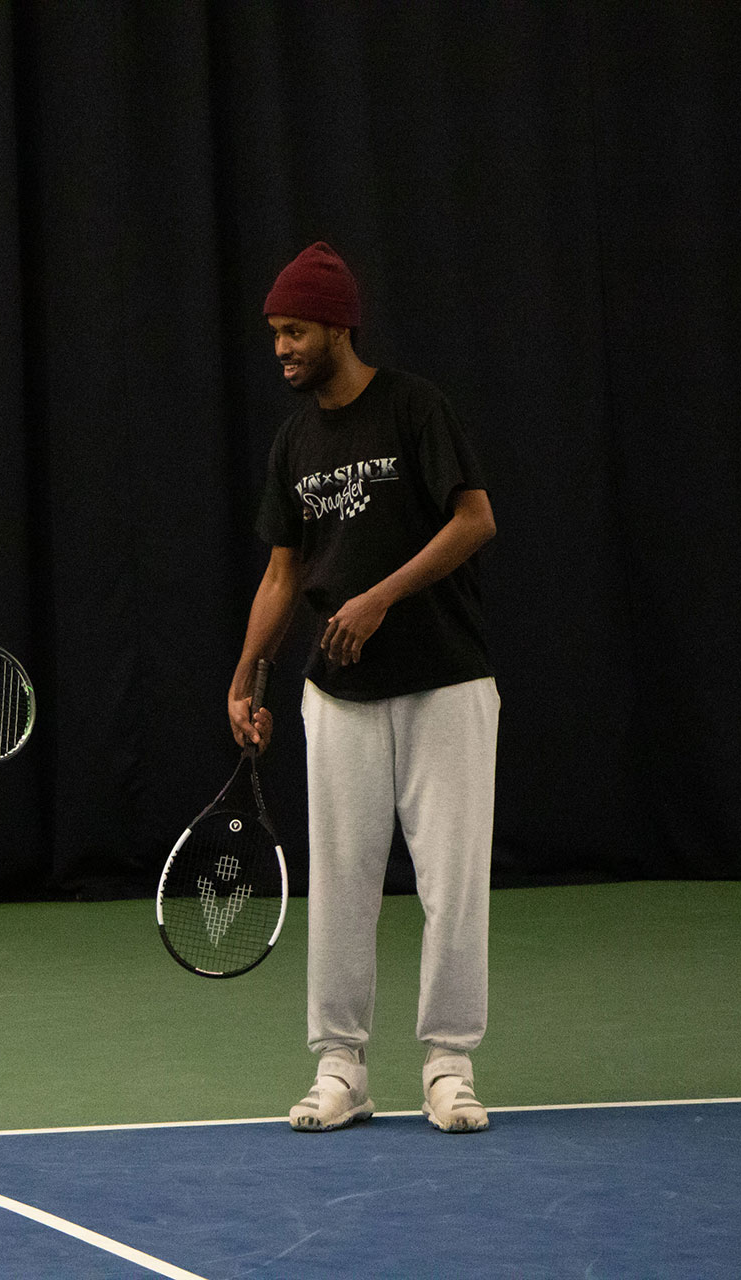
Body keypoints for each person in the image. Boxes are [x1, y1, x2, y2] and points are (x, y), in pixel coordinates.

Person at [229, 243, 499, 1135]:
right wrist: (245, 678)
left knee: (450, 883)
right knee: (340, 883)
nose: (282, 348)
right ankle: (342, 1067)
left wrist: (380, 597)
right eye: (275, 333)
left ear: (339, 326)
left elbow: (475, 519)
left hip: (445, 683)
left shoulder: (414, 408)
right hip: (336, 695)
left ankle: (449, 1064)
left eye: (295, 330)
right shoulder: (294, 442)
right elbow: (281, 575)